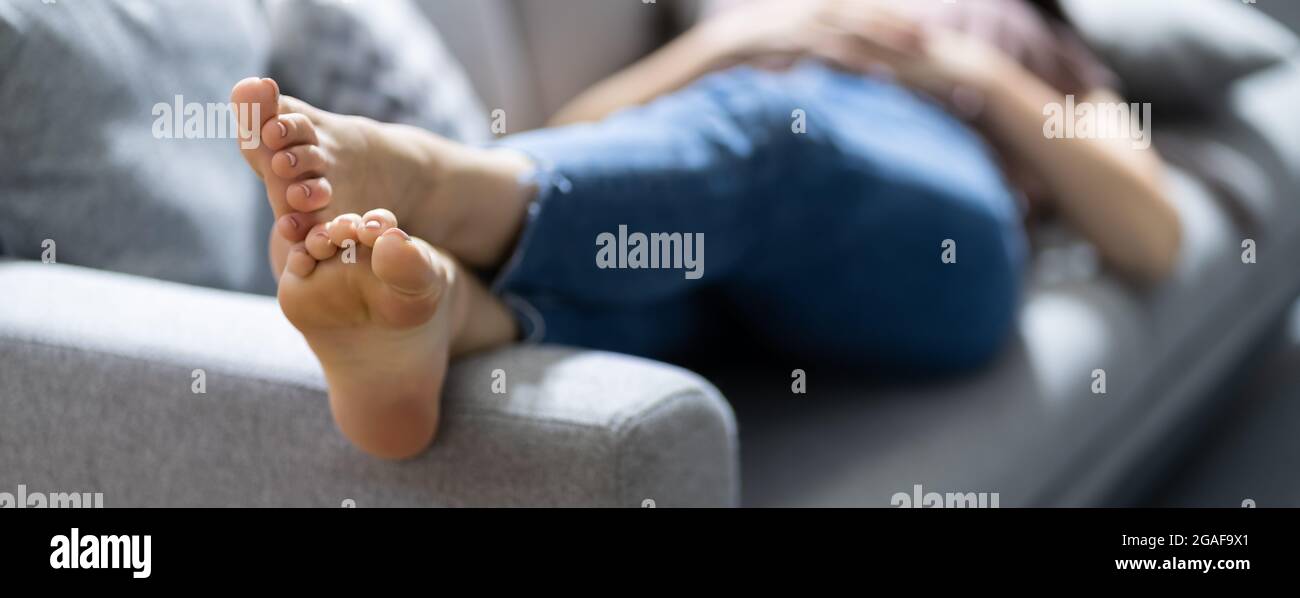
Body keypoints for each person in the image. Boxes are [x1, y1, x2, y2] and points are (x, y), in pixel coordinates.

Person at [229, 0, 1180, 459]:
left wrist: (963, 66)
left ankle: (432, 175)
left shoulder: (1025, 32)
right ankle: (443, 307)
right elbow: (593, 135)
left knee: (773, 135)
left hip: (934, 243)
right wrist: (733, 44)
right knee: (667, 258)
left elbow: (1152, 228)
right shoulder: (745, 18)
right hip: (719, 240)